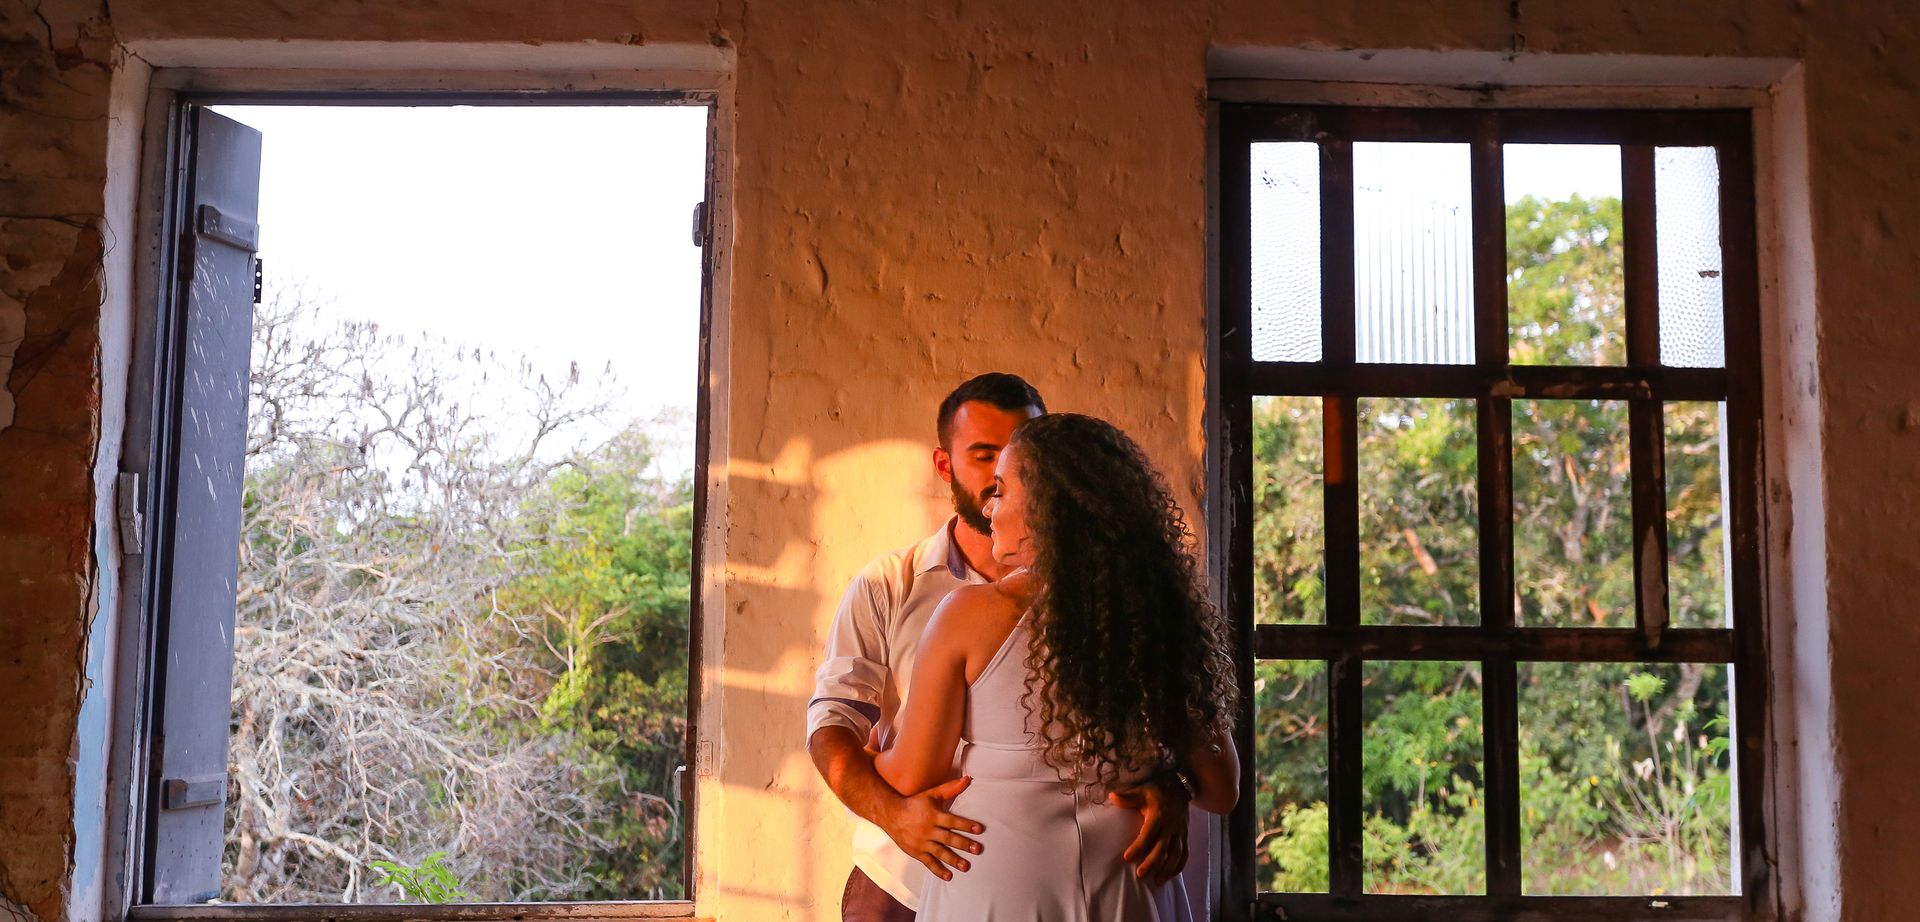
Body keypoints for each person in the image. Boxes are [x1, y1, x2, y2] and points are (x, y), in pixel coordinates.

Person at [807, 376, 1194, 922]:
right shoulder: (887, 585)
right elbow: (832, 723)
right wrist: (893, 814)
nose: (999, 475)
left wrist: (1172, 780)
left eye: (1019, 452)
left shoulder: (1119, 597)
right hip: (900, 874)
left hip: (1062, 880)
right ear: (944, 466)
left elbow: (1160, 728)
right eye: (984, 455)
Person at [874, 412, 1240, 921]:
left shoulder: (970, 616)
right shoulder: (1163, 625)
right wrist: (1172, 784)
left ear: (1045, 508)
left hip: (1000, 893)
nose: (988, 503)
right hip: (1128, 896)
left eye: (1000, 489)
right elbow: (1223, 790)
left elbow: (911, 774)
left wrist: (869, 748)